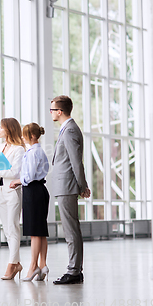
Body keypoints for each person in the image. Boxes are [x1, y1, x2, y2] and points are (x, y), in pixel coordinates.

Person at [50, 95, 91, 285]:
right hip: (64, 185)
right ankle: (75, 269)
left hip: (67, 185)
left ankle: (74, 270)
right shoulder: (67, 129)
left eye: (52, 110)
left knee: (71, 230)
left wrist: (82, 185)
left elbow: (76, 162)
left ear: (60, 111)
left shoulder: (70, 130)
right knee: (70, 228)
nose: (51, 113)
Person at [10, 123, 50, 282]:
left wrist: (17, 181)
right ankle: (43, 264)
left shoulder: (33, 152)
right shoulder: (38, 151)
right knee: (41, 231)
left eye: (24, 135)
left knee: (35, 232)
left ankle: (33, 267)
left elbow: (30, 175)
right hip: (39, 190)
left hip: (33, 191)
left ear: (32, 136)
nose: (22, 137)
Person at [0, 118, 25, 280]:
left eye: (1, 128)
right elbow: (0, 167)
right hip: (1, 190)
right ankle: (16, 262)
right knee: (7, 229)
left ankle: (12, 264)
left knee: (13, 227)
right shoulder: (0, 147)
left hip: (13, 191)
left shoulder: (19, 150)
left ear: (9, 130)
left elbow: (14, 172)